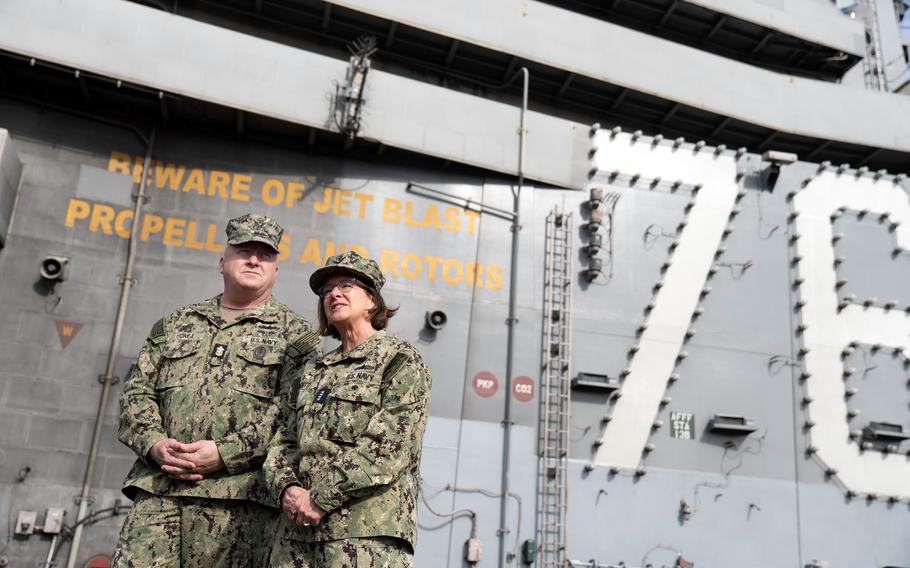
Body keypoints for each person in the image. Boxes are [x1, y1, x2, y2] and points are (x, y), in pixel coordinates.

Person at [112, 213, 321, 567]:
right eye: (243, 251)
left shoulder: (296, 339)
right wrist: (154, 444)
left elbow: (291, 418)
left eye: (265, 255)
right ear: (223, 262)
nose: (254, 260)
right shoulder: (175, 324)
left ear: (275, 270)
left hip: (239, 502)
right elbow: (136, 395)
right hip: (160, 494)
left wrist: (225, 452)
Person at [265, 251, 432, 567]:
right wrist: (286, 488)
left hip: (363, 537)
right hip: (295, 541)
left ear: (372, 300)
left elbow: (389, 449)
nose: (333, 294)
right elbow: (283, 442)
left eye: (346, 285)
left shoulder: (399, 360)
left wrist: (319, 497)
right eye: (326, 291)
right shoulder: (313, 370)